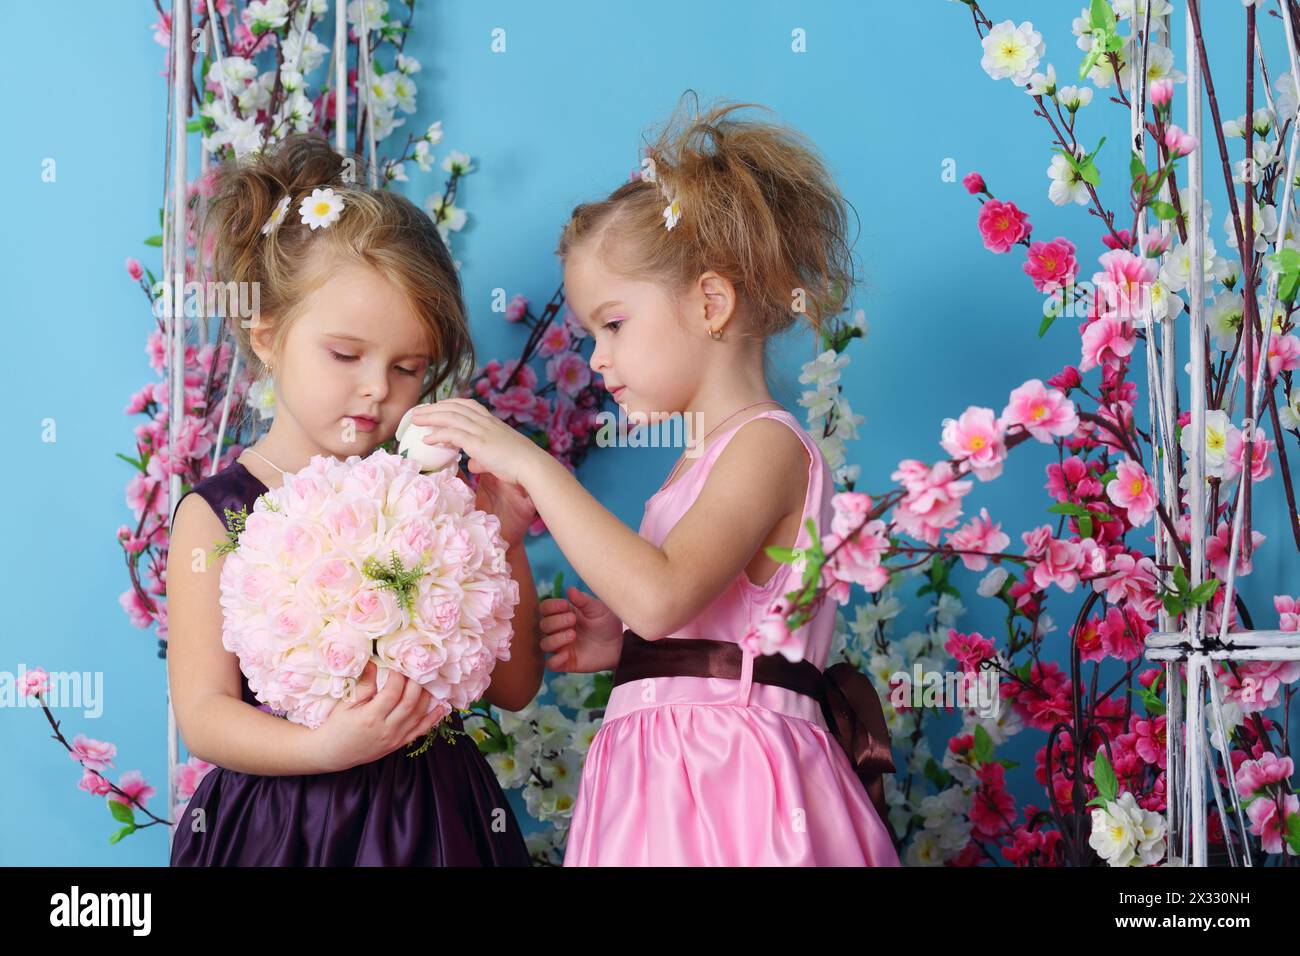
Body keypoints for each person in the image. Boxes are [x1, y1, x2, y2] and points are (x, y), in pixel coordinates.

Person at [411, 97, 901, 865]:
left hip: (729, 785)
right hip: (668, 775)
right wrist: (637, 644)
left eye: (613, 324)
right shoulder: (697, 458)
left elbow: (660, 590)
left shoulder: (766, 446)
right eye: (588, 336)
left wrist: (534, 464)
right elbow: (688, 611)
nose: (599, 358)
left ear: (710, 303)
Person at [167, 133, 540, 865]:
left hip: (431, 820)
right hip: (285, 823)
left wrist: (508, 541)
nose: (378, 389)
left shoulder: (437, 499)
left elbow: (515, 686)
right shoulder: (216, 514)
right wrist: (324, 746)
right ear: (268, 337)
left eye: (409, 368)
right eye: (346, 355)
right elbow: (205, 715)